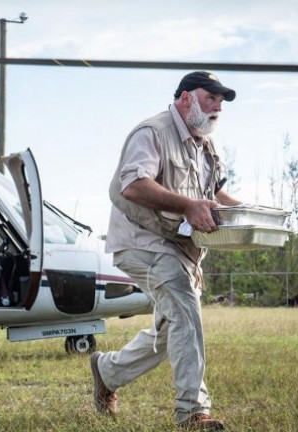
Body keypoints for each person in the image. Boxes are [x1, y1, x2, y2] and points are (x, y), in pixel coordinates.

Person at [90, 71, 242, 431]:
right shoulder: (152, 132)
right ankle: (192, 411)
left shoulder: (204, 144)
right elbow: (132, 184)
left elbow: (214, 193)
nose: (218, 106)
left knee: (170, 329)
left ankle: (106, 371)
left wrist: (251, 216)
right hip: (141, 241)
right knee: (185, 311)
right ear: (186, 97)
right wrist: (188, 206)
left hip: (179, 248)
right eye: (211, 98)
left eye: (221, 101)